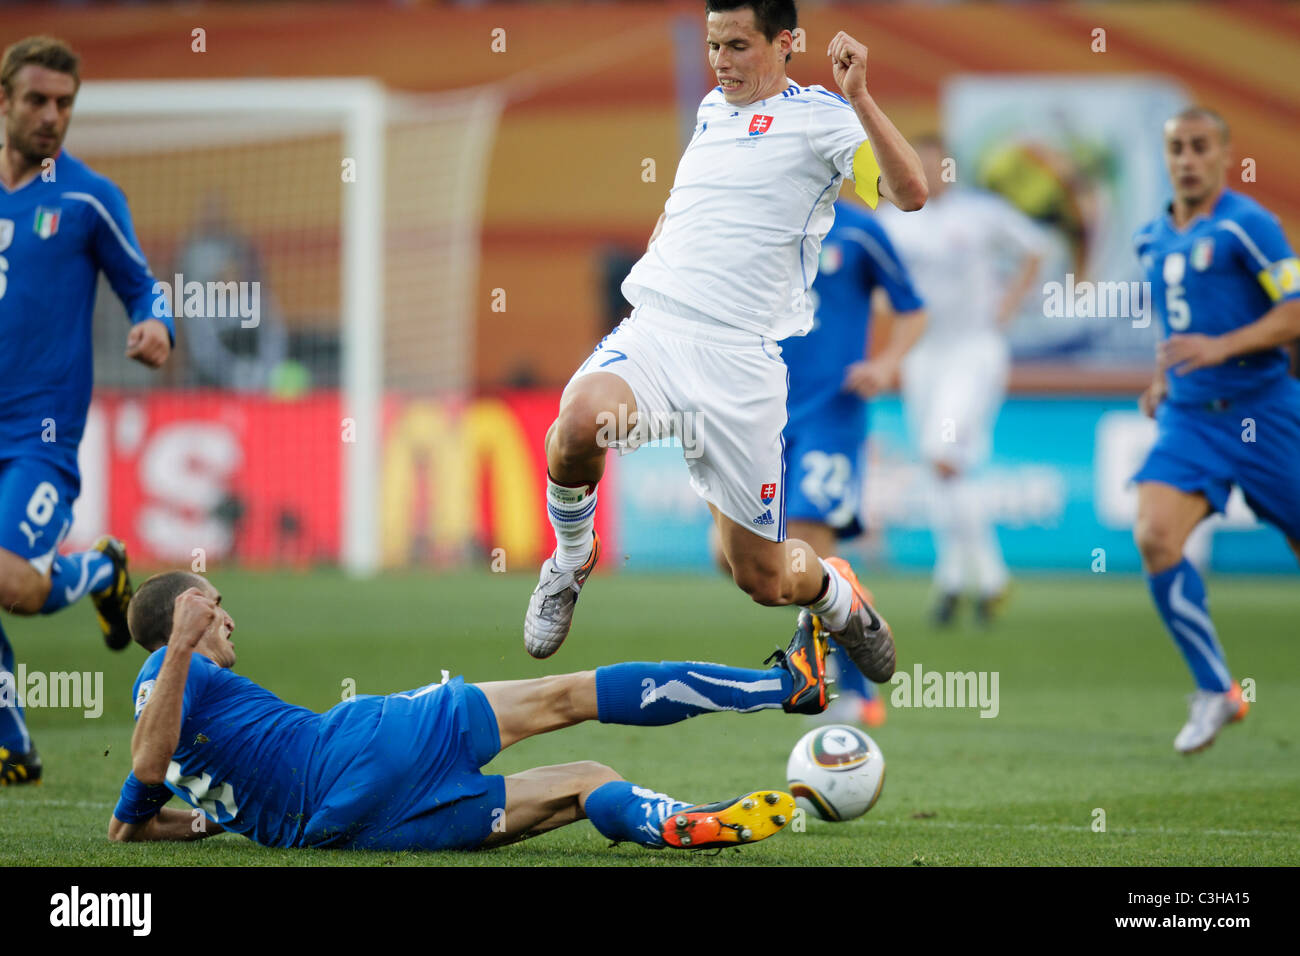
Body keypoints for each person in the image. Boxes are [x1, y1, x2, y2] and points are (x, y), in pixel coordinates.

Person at [524, 0, 926, 688]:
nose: (721, 62)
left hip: (741, 367)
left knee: (763, 577)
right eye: (714, 45)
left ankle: (836, 594)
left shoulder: (824, 118)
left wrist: (858, 96)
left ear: (786, 43)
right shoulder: (713, 108)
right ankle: (569, 558)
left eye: (738, 46)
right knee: (581, 421)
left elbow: (911, 191)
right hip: (658, 333)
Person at [109, 572, 831, 852]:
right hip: (367, 744)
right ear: (185, 616)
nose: (228, 619)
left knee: (583, 782)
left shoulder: (169, 709)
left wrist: (209, 821)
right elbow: (147, 752)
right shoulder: (166, 675)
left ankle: (675, 821)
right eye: (214, 604)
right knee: (567, 695)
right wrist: (178, 646)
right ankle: (785, 687)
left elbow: (125, 830)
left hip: (349, 830)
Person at [0, 37, 174, 785]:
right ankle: (14, 743)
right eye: (36, 100)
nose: (51, 116)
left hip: (38, 435)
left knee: (13, 583)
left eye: (64, 103)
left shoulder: (85, 197)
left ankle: (101, 569)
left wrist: (158, 324)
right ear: (3, 100)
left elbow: (142, 285)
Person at [715, 197, 926, 726]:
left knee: (806, 547)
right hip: (757, 412)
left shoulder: (860, 232)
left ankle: (849, 691)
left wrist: (886, 364)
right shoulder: (757, 215)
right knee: (736, 560)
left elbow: (912, 307)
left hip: (831, 413)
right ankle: (856, 615)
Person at [1131, 107, 1300, 754]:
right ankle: (1216, 689)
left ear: (1225, 155)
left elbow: (1294, 309)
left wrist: (1223, 346)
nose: (1187, 159)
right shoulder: (1150, 238)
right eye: (1177, 148)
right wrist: (1161, 379)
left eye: (1200, 147)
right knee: (1153, 535)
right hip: (1192, 418)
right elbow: (1176, 330)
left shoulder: (1249, 224)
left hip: (1266, 411)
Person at [875, 135, 1047, 627]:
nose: (929, 173)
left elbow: (1036, 248)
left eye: (937, 164)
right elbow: (880, 284)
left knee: (943, 456)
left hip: (973, 351)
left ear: (951, 168)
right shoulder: (894, 221)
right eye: (920, 164)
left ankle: (990, 577)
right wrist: (886, 305)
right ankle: (954, 581)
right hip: (922, 355)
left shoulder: (981, 214)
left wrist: (1010, 303)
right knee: (942, 470)